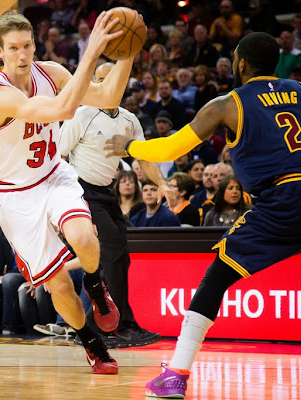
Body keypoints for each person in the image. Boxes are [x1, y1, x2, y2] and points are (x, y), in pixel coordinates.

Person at [105, 32, 301, 398]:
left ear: (241, 64)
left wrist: (131, 145)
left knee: (217, 276)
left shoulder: (227, 104)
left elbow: (172, 146)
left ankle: (176, 374)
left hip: (287, 196)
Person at [0, 10, 133, 374]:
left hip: (53, 175)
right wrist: (92, 52)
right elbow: (62, 108)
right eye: (13, 48)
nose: (22, 55)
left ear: (35, 43)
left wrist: (128, 53)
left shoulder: (51, 72)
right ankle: (90, 341)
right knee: (58, 284)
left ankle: (96, 287)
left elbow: (108, 94)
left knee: (84, 236)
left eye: (27, 45)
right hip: (16, 198)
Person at [59, 62, 168, 347]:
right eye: (102, 80)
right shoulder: (82, 114)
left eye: (114, 79)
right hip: (81, 191)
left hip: (107, 193)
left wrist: (162, 183)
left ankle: (111, 324)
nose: (108, 85)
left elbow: (142, 158)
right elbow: (56, 154)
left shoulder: (129, 119)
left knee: (120, 257)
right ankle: (114, 328)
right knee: (113, 252)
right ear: (94, 83)